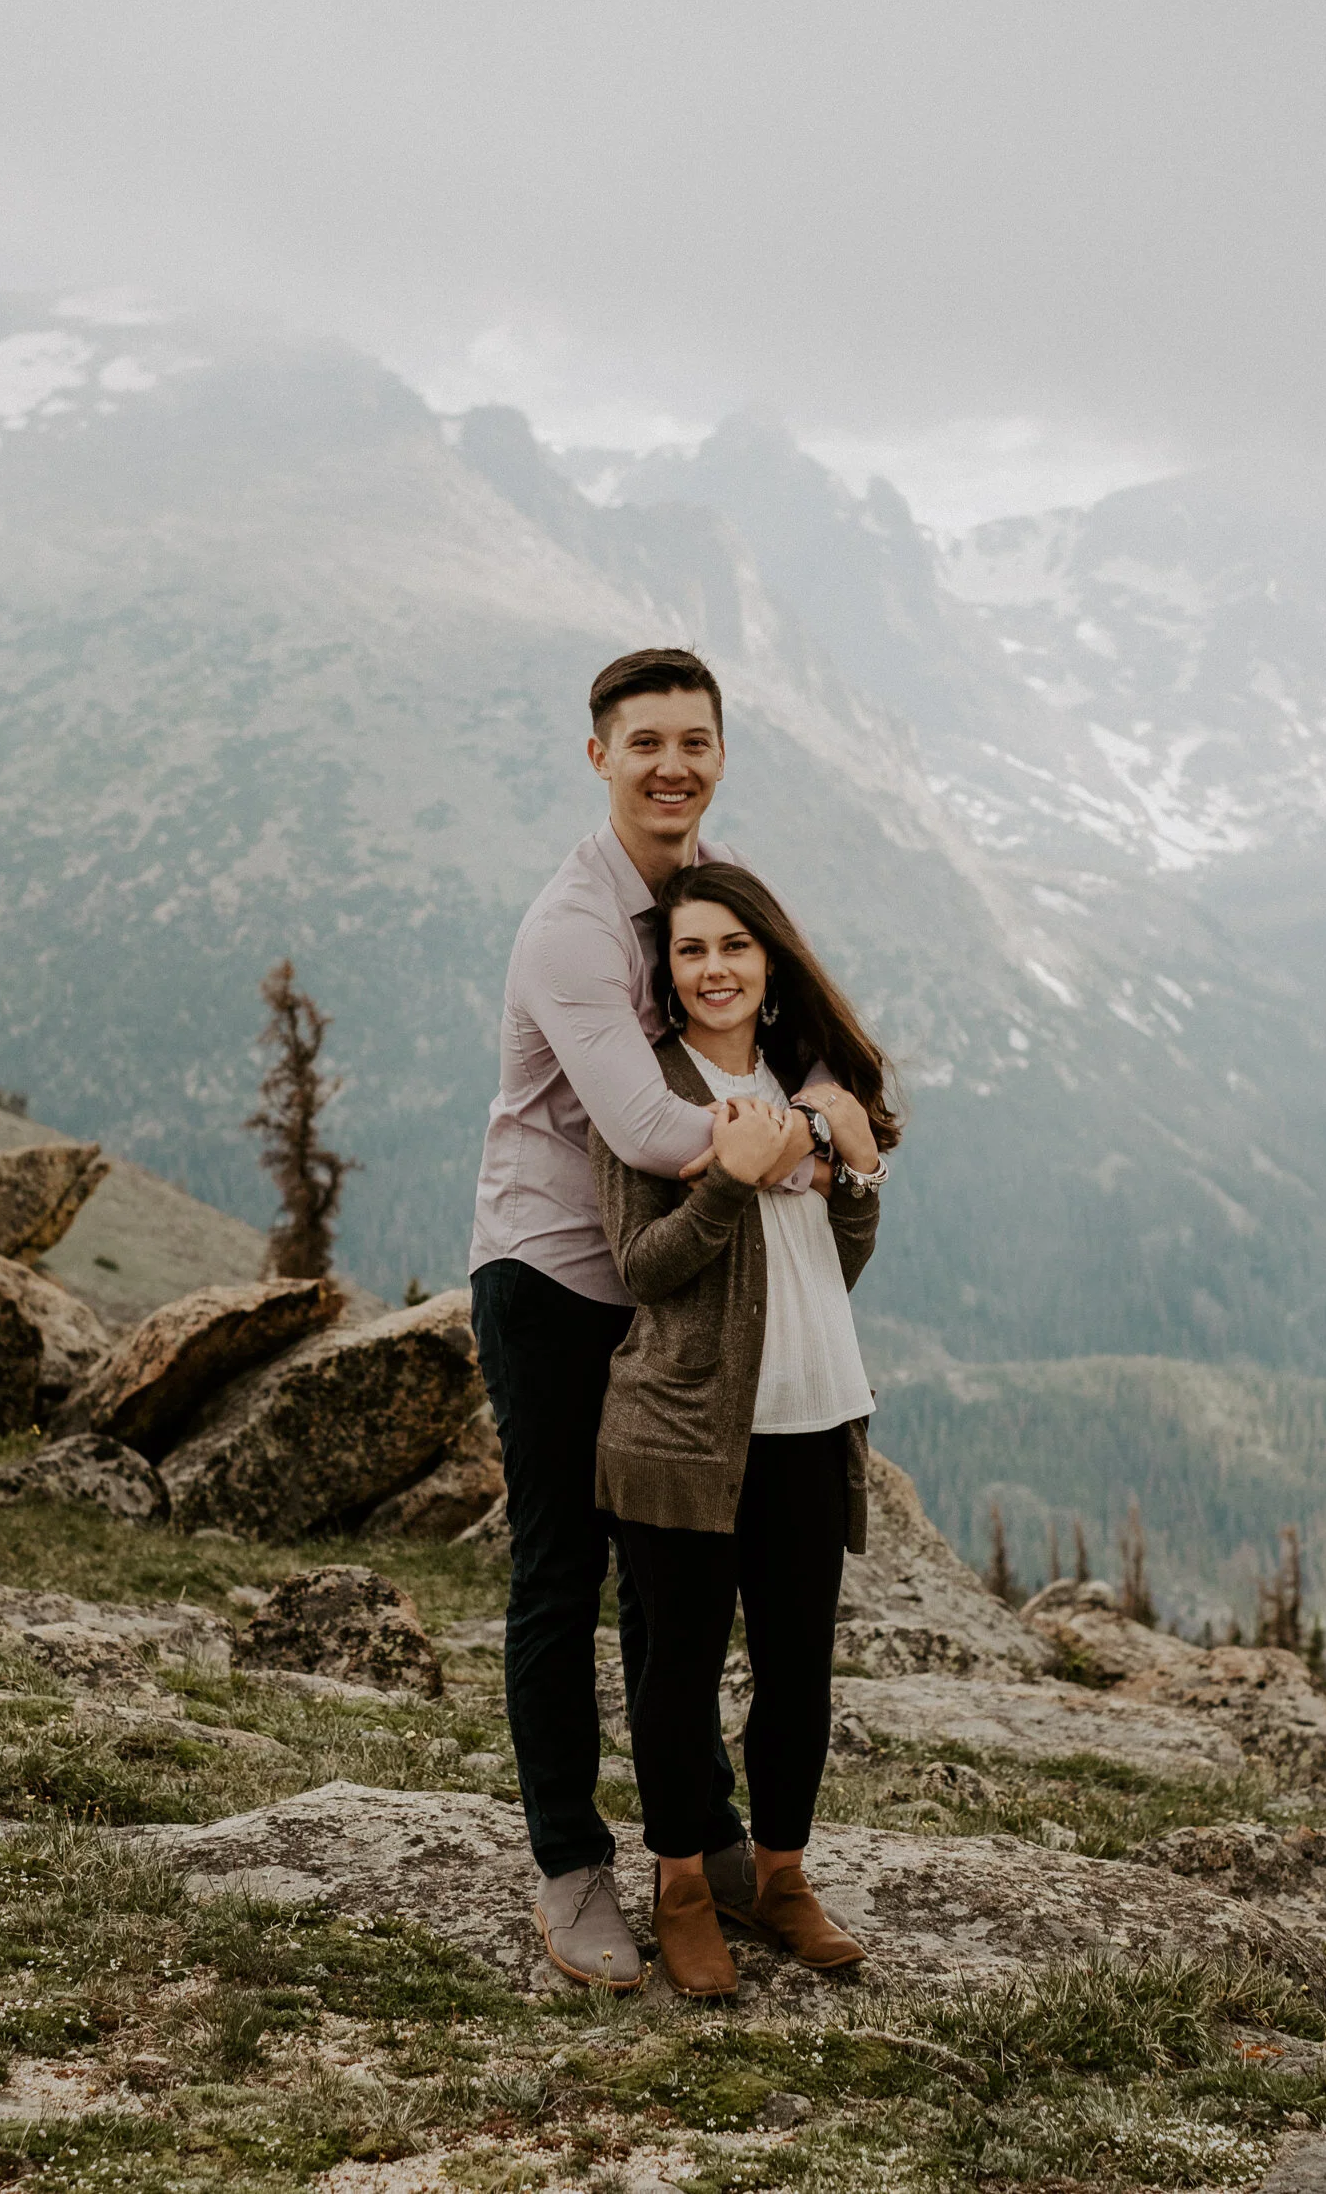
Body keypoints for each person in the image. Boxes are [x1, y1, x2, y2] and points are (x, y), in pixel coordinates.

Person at [470, 648, 822, 1991]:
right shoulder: (571, 927)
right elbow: (654, 1127)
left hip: (666, 1280)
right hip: (558, 1280)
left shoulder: (705, 893)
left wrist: (830, 1105)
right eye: (644, 743)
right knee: (564, 1574)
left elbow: (772, 1043)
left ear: (720, 753)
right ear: (598, 758)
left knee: (675, 1576)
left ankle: (705, 1843)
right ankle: (570, 1869)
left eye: (695, 739)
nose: (672, 763)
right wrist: (814, 1144)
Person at [589, 860, 900, 1997]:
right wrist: (727, 1178)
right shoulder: (645, 1093)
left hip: (815, 1414)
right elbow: (644, 1265)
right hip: (682, 1431)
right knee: (678, 1673)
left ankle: (779, 1876)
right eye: (689, 951)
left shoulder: (800, 1084)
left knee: (797, 1669)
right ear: (666, 978)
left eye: (733, 947)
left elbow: (831, 1263)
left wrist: (855, 1179)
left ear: (770, 964)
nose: (713, 968)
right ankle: (680, 1889)